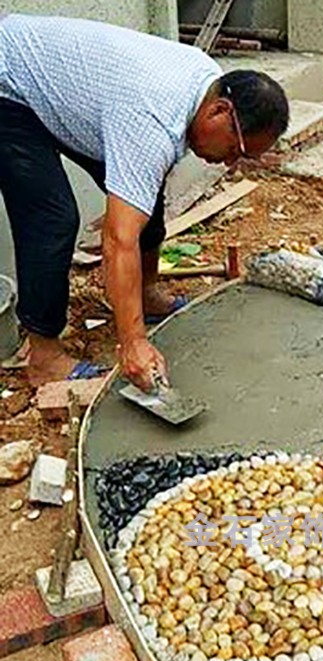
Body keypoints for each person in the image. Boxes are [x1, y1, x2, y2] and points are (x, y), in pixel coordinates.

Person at [0, 14, 289, 390]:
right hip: (8, 83)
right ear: (221, 112)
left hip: (68, 93)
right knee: (53, 219)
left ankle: (146, 294)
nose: (232, 161)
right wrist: (133, 343)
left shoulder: (207, 81)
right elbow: (119, 241)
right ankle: (43, 357)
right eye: (236, 149)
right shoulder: (152, 120)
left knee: (144, 195)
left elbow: (141, 197)